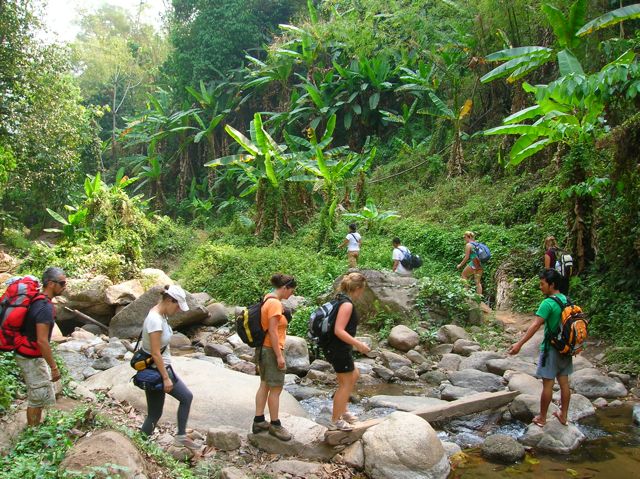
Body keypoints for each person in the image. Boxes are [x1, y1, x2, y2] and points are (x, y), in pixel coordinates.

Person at [508, 269, 572, 427]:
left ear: (552, 284)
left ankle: (542, 418)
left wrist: (519, 344)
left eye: (542, 284)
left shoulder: (548, 303)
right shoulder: (566, 300)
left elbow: (535, 325)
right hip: (565, 348)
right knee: (564, 383)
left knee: (548, 385)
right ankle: (563, 415)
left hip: (550, 349)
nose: (540, 287)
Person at [140, 284, 198, 449]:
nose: (178, 310)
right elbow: (156, 353)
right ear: (168, 300)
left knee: (154, 414)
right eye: (177, 305)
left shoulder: (159, 313)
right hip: (157, 371)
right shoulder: (155, 321)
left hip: (157, 369)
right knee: (185, 398)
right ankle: (178, 437)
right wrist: (166, 378)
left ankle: (142, 443)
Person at [14, 267, 65, 426]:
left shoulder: (38, 300)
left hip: (28, 353)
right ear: (50, 284)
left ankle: (35, 428)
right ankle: (32, 433)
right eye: (62, 283)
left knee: (40, 394)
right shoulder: (45, 307)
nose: (64, 287)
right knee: (37, 397)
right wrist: (54, 367)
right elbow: (42, 341)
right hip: (30, 357)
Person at [324, 272, 371, 431]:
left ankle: (343, 411)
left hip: (338, 348)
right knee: (345, 383)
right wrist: (359, 344)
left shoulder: (340, 299)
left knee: (354, 374)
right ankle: (336, 420)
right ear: (357, 288)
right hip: (339, 348)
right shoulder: (347, 304)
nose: (362, 293)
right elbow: (339, 330)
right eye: (362, 289)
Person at [253, 274, 297, 441]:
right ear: (285, 287)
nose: (291, 294)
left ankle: (258, 421)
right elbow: (272, 331)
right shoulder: (275, 304)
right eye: (291, 290)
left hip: (264, 348)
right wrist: (279, 356)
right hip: (271, 349)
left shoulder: (267, 298)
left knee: (264, 385)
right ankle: (275, 425)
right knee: (276, 389)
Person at [457, 231, 483, 296]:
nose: (464, 239)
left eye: (465, 237)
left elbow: (466, 257)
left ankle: (466, 293)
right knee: (477, 282)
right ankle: (479, 298)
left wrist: (460, 265)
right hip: (481, 264)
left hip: (474, 263)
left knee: (464, 275)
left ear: (468, 237)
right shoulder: (477, 244)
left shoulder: (468, 245)